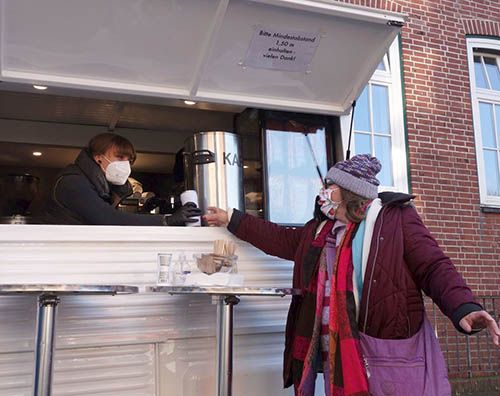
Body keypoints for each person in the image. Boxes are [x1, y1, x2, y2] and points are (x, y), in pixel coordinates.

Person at [204, 154, 500, 396]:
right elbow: (279, 238)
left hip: (383, 348)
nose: (323, 191)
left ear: (349, 193)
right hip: (333, 350)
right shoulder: (319, 230)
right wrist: (232, 218)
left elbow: (433, 265)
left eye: (330, 185)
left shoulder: (395, 219)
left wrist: (464, 306)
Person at [43, 133, 200, 225]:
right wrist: (167, 220)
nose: (125, 163)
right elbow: (108, 218)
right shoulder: (73, 182)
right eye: (119, 157)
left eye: (129, 160)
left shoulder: (100, 187)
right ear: (98, 158)